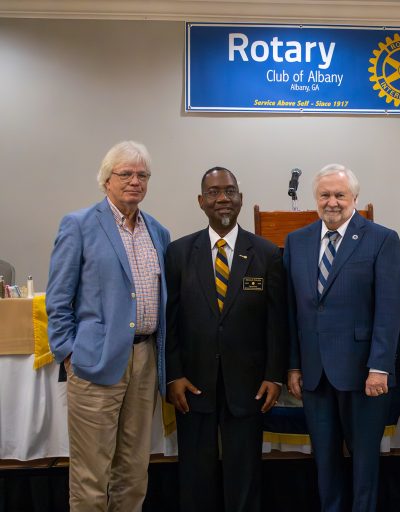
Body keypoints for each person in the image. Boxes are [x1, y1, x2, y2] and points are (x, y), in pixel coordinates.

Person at [46, 141, 170, 511]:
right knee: (91, 473)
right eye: (126, 174)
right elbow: (58, 299)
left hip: (145, 360)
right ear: (106, 180)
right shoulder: (79, 225)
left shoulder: (158, 232)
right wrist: (69, 353)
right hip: (95, 362)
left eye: (142, 175)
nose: (135, 181)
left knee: (135, 469)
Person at [165, 167, 287, 511]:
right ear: (201, 201)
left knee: (245, 475)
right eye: (214, 192)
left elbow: (276, 323)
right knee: (195, 475)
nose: (223, 199)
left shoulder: (266, 253)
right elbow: (169, 321)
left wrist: (273, 374)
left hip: (248, 386)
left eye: (230, 191)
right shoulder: (178, 253)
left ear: (241, 199)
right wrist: (173, 374)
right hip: (192, 384)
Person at [284, 163, 400, 512]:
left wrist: (380, 366)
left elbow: (388, 308)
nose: (332, 202)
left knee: (364, 466)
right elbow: (292, 311)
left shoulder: (382, 238)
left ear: (355, 198)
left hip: (365, 374)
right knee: (325, 464)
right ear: (315, 199)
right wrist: (293, 365)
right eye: (325, 195)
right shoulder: (297, 241)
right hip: (315, 374)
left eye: (340, 195)